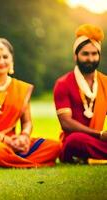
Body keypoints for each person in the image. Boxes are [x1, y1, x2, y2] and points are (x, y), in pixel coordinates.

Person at [0, 38, 61, 168]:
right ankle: (23, 161)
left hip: (14, 143)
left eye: (5, 57)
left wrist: (24, 137)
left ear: (11, 60)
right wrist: (3, 139)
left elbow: (27, 122)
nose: (2, 61)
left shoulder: (20, 88)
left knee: (54, 146)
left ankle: (10, 160)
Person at [53, 24, 107, 163]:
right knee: (75, 140)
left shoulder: (105, 82)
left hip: (97, 142)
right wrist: (99, 135)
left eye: (94, 54)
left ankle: (90, 158)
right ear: (75, 56)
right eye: (85, 54)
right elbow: (66, 123)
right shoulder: (63, 83)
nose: (90, 58)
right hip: (75, 143)